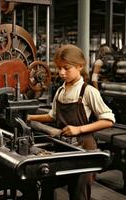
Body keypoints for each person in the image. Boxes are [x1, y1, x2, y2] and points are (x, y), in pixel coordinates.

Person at [27, 44, 115, 200]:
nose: (61, 72)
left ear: (79, 66)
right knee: (47, 184)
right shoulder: (60, 90)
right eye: (59, 68)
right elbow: (52, 116)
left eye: (66, 68)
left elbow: (108, 120)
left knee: (78, 193)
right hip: (63, 147)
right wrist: (29, 118)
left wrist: (79, 129)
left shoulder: (88, 91)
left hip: (83, 150)